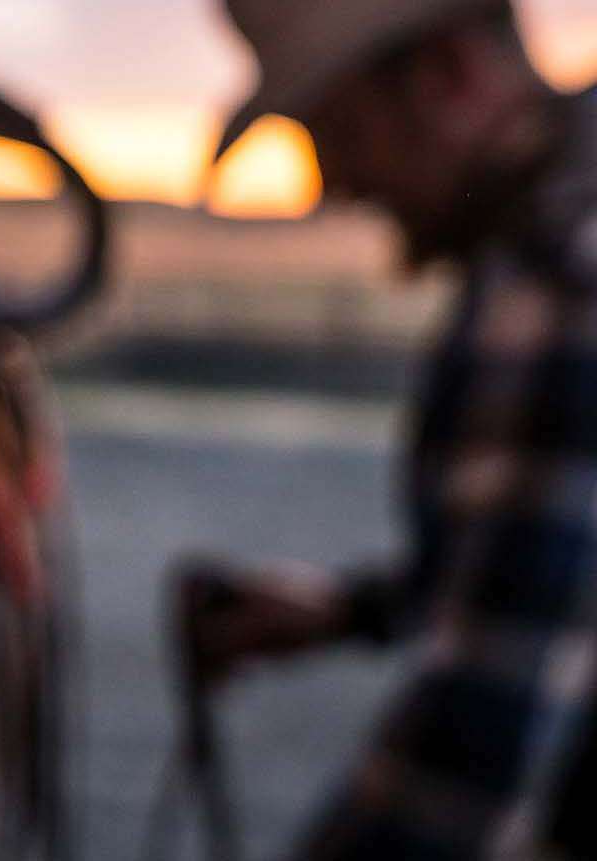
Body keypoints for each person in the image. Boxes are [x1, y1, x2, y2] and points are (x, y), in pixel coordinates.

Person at [179, 0, 597, 856]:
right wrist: (357, 610)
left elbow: (473, 752)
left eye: (335, 130)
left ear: (447, 76)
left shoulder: (557, 277)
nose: (331, 182)